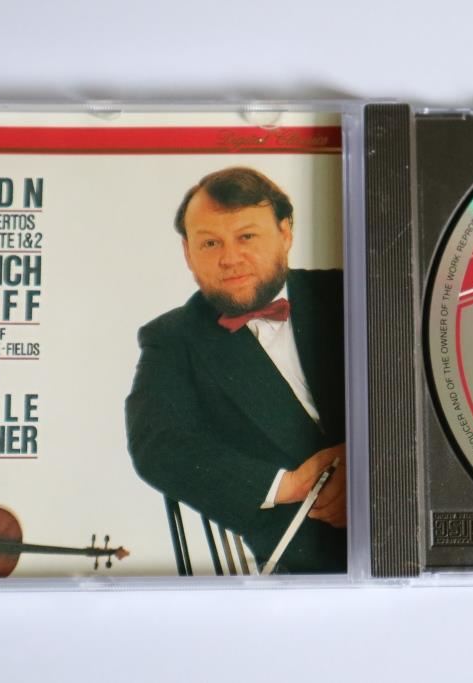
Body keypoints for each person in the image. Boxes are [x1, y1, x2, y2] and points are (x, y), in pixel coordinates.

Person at [125, 167, 346, 574]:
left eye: (246, 237)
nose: (229, 259)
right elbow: (157, 446)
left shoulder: (350, 291)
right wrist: (288, 485)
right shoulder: (172, 339)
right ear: (188, 253)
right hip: (305, 560)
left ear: (285, 233)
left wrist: (371, 463)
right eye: (210, 243)